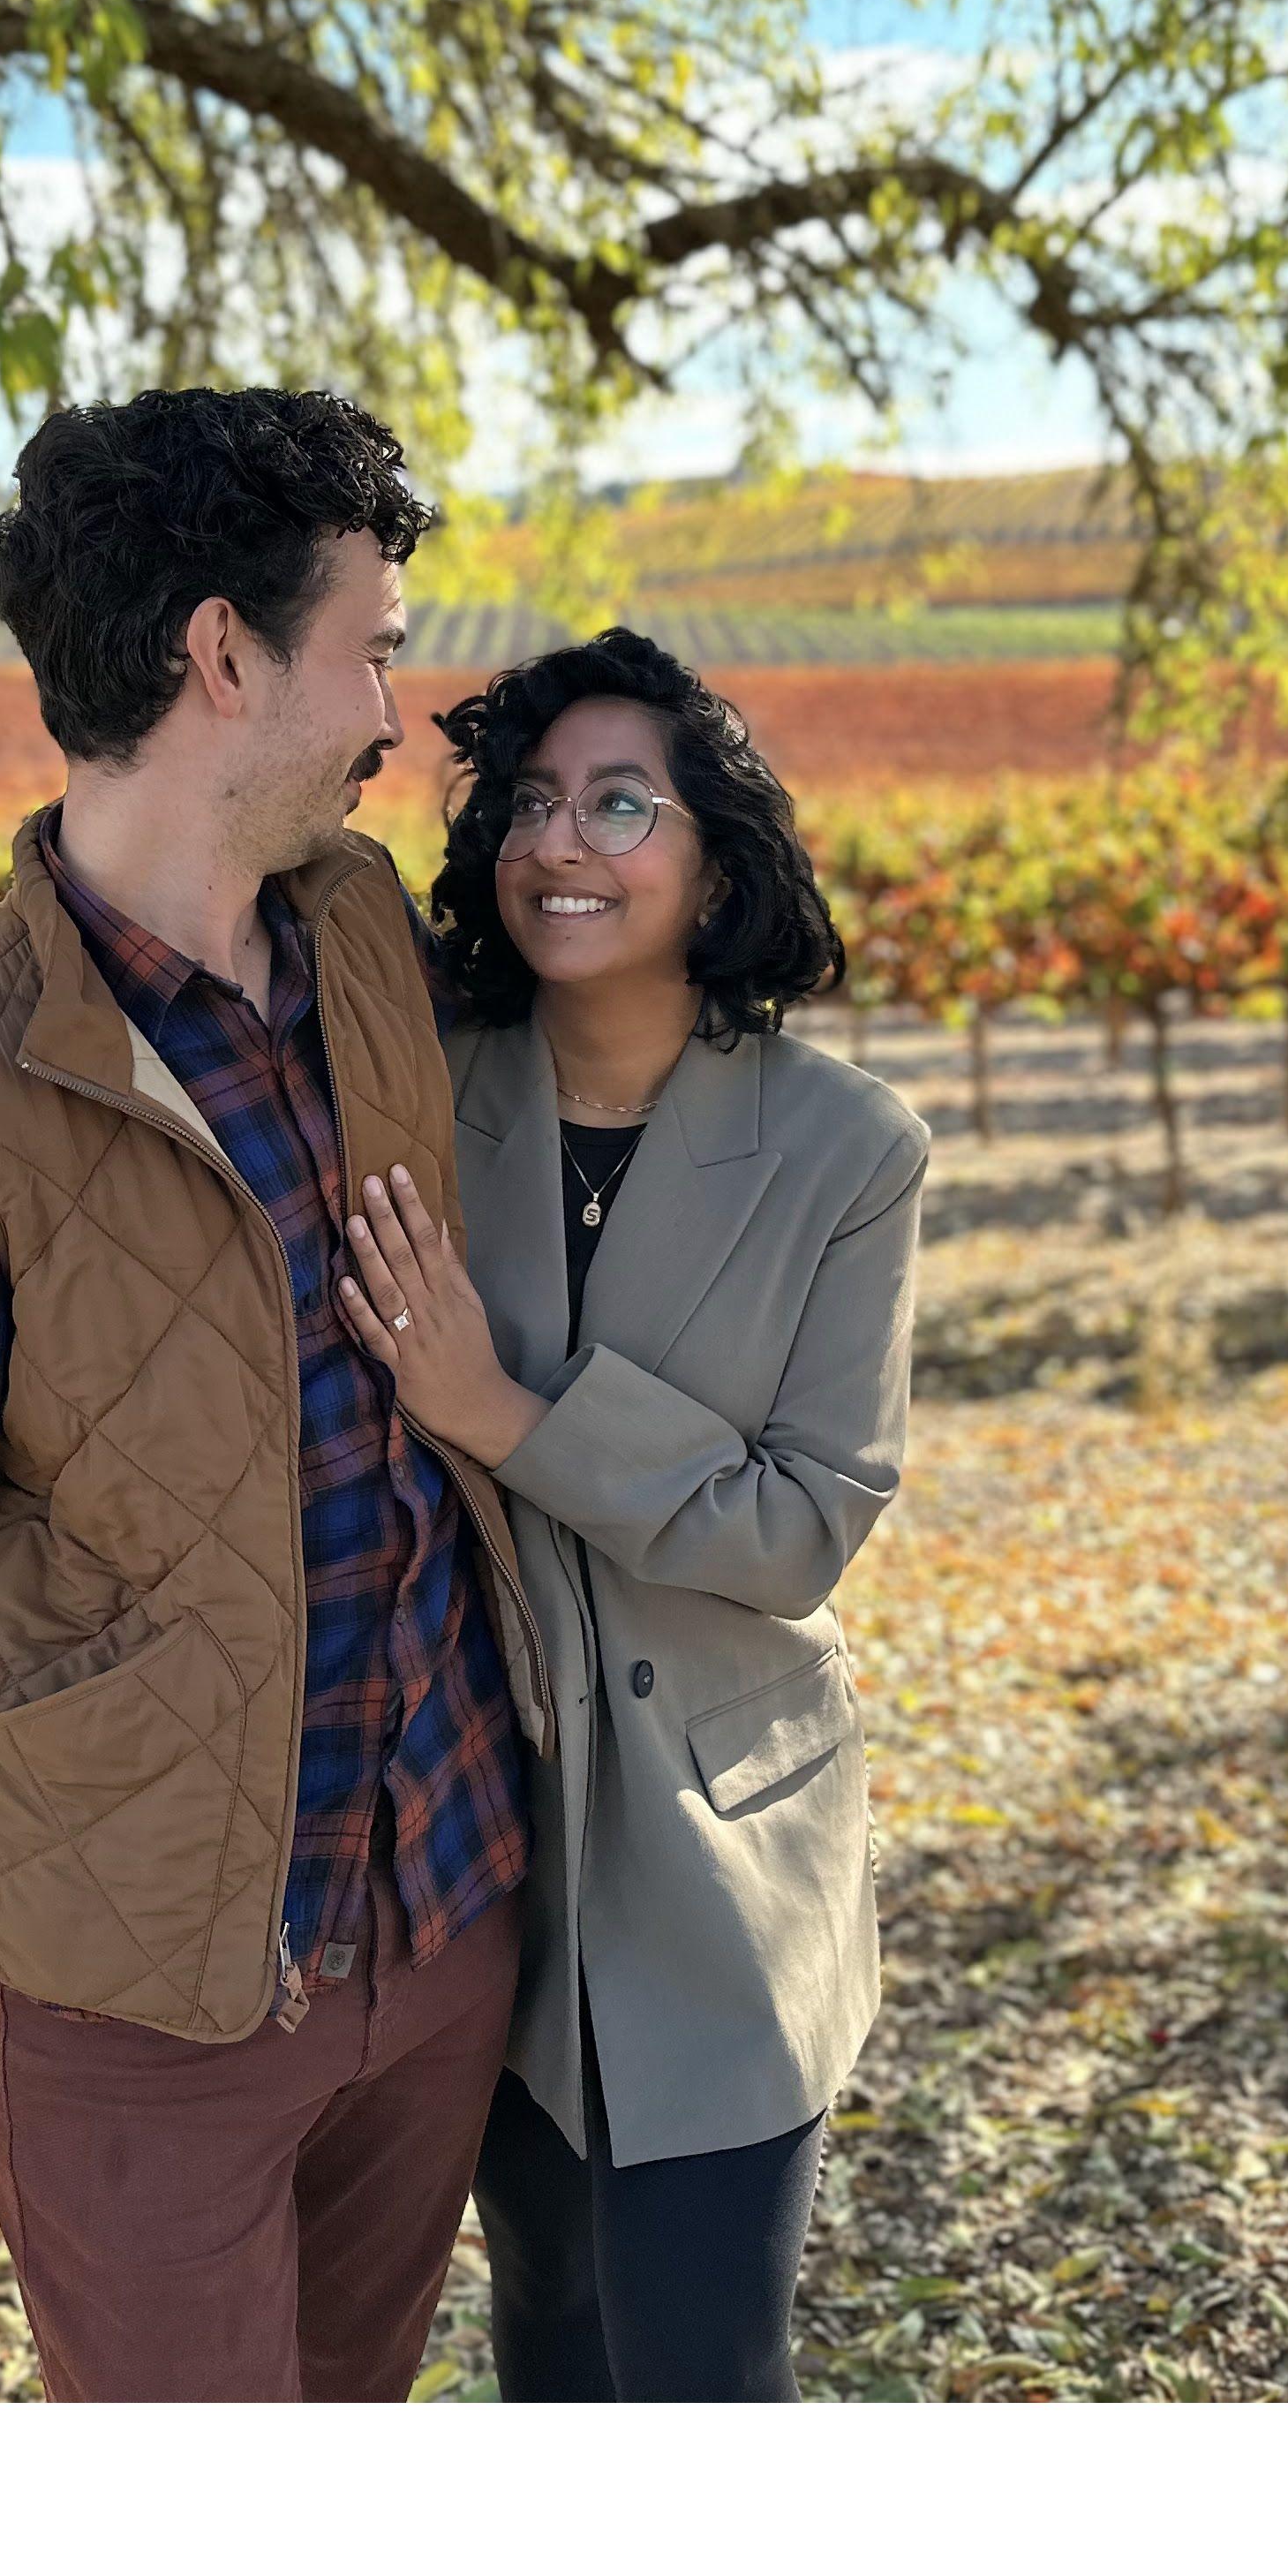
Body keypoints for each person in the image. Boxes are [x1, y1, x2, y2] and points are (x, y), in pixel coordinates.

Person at [0, 387, 550, 2404]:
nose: (394, 705)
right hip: (139, 2005)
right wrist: (129, 1720)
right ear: (222, 657)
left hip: (445, 1916)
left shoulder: (363, 932)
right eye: (368, 645)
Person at [336, 626, 925, 2400]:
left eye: (618, 803)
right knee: (554, 2355)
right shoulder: (427, 1093)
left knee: (701, 2374)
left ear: (715, 860)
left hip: (721, 1868)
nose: (560, 845)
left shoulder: (848, 1152)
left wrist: (500, 1412)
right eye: (528, 802)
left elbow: (801, 1527)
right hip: (485, 1853)